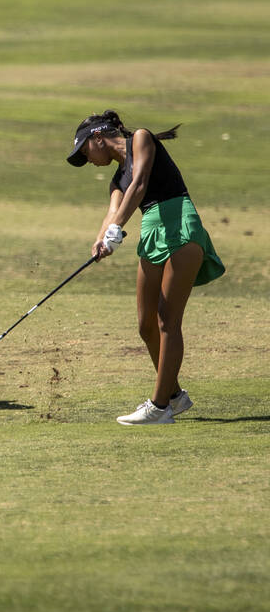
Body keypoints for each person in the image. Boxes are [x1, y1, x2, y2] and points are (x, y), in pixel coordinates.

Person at [67, 109, 225, 425]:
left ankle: (159, 406)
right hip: (152, 230)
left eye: (85, 151)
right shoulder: (115, 179)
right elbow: (112, 211)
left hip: (179, 221)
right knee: (146, 324)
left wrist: (117, 230)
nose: (89, 160)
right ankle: (175, 396)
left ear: (98, 136)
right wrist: (100, 240)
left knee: (168, 319)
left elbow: (139, 183)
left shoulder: (141, 138)